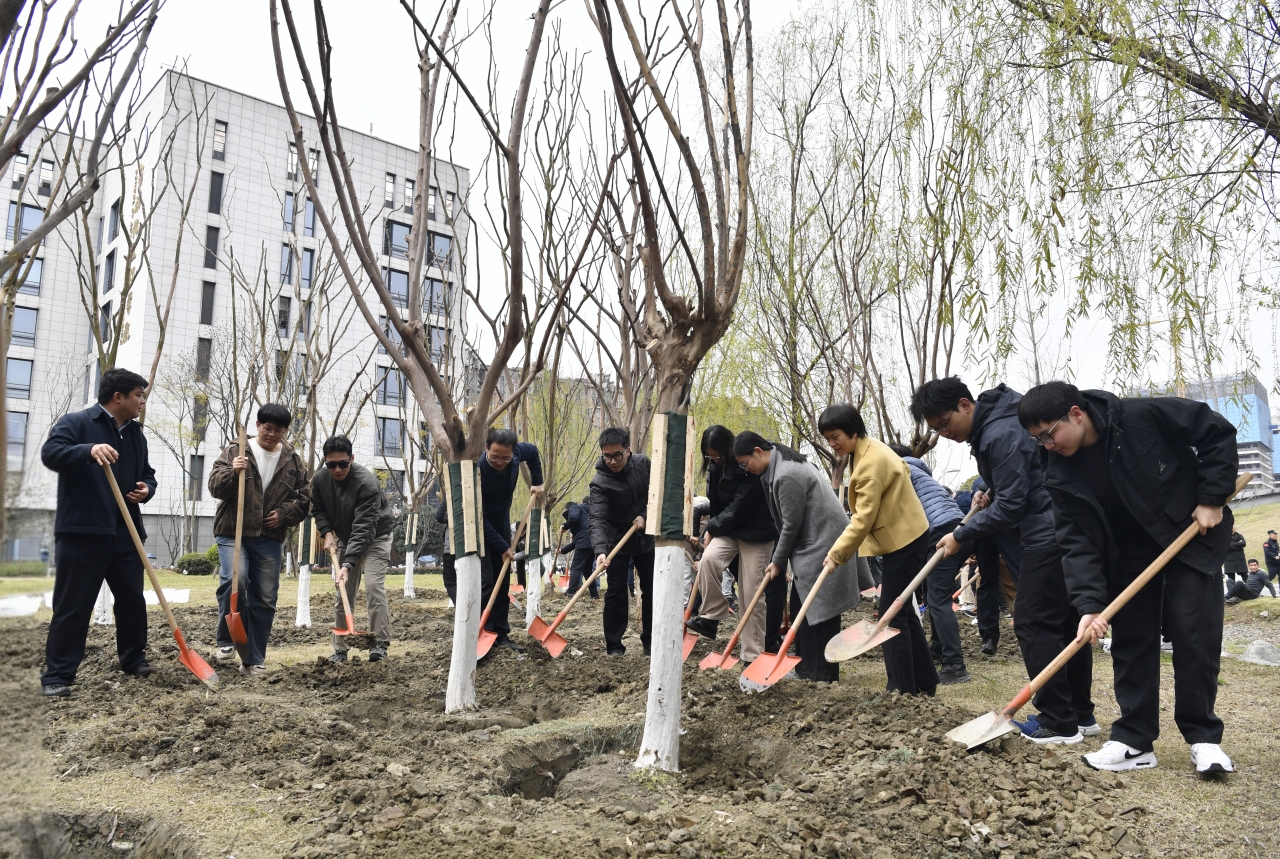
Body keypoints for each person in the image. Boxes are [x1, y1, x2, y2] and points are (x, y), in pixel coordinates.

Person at [1019, 380, 1238, 775]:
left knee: (1194, 634)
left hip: (1191, 532)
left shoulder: (1139, 417)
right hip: (1129, 552)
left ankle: (1204, 738)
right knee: (1132, 640)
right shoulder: (1058, 469)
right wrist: (1088, 606)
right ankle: (1135, 740)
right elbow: (1076, 540)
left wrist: (1212, 497)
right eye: (1039, 440)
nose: (1048, 446)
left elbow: (1215, 430)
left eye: (1049, 434)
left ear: (1076, 413)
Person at [912, 376, 1095, 744]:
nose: (944, 432)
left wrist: (961, 533)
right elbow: (1023, 475)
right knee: (1063, 622)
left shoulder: (998, 434)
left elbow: (1013, 505)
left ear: (965, 404)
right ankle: (1079, 713)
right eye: (935, 429)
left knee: (1031, 621)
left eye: (945, 423)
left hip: (1047, 531)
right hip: (1061, 526)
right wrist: (987, 487)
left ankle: (1058, 720)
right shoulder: (1001, 420)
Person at [39, 368, 158, 698]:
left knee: (132, 601)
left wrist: (146, 489)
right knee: (74, 605)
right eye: (139, 395)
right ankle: (59, 675)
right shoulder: (76, 424)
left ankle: (134, 660)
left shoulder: (136, 435)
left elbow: (148, 474)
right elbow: (51, 453)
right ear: (118, 397)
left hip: (125, 533)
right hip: (82, 533)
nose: (142, 401)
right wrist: (88, 450)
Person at [816, 407, 936, 693]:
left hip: (904, 541)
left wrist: (836, 555)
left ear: (853, 432)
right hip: (907, 535)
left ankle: (901, 688)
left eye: (836, 437)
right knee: (901, 610)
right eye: (828, 439)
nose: (832, 444)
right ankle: (924, 681)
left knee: (889, 617)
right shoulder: (870, 450)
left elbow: (862, 520)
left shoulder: (870, 464)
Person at [734, 431, 860, 682]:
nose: (746, 469)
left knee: (821, 611)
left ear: (758, 451)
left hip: (823, 542)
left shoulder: (786, 474)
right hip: (813, 542)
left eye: (745, 463)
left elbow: (790, 525)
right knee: (802, 608)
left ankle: (823, 675)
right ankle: (806, 669)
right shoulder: (778, 467)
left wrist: (777, 561)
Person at [208, 403, 310, 675]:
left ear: (286, 431)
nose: (272, 434)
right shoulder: (237, 449)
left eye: (279, 430)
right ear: (257, 426)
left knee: (264, 597)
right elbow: (215, 487)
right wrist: (232, 471)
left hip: (269, 537)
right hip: (234, 531)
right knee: (235, 579)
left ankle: (253, 659)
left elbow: (304, 499)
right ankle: (227, 638)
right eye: (267, 428)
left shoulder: (293, 460)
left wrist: (284, 514)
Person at [685, 425, 779, 666]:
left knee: (751, 594)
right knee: (708, 560)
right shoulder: (714, 470)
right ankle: (712, 616)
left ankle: (752, 655)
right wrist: (711, 531)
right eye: (710, 456)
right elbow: (716, 505)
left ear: (730, 449)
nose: (715, 460)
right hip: (728, 530)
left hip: (756, 533)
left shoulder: (748, 466)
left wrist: (713, 527)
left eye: (718, 455)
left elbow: (740, 508)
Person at [887, 442, 971, 684]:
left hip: (940, 532)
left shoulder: (900, 470)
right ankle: (937, 650)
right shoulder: (920, 471)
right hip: (961, 528)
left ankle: (955, 665)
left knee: (937, 599)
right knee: (934, 595)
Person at [310, 435, 395, 663]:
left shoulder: (367, 483)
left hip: (376, 535)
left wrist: (348, 563)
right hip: (348, 537)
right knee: (343, 591)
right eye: (331, 464)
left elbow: (365, 527)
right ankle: (340, 649)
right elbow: (317, 509)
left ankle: (379, 645)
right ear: (325, 462)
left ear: (352, 459)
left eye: (343, 464)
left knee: (373, 586)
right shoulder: (320, 480)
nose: (337, 469)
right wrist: (326, 532)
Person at [477, 428, 544, 655]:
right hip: (481, 530)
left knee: (503, 582)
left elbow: (533, 453)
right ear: (486, 448)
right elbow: (480, 518)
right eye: (494, 456)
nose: (499, 461)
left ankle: (501, 634)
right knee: (487, 584)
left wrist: (537, 481)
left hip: (503, 526)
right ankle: (484, 633)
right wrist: (502, 546)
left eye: (505, 458)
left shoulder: (515, 454)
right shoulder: (477, 472)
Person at [590, 427, 654, 656]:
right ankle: (614, 646)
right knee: (615, 592)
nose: (613, 461)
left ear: (628, 450)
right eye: (607, 456)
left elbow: (658, 493)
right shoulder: (600, 482)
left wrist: (646, 516)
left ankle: (650, 642)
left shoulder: (644, 464)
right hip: (617, 541)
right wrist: (600, 550)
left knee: (651, 590)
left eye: (617, 454)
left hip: (646, 539)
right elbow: (597, 518)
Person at [563, 495, 598, 598]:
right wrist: (562, 550)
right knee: (587, 571)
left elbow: (573, 518)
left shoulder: (575, 507)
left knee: (575, 568)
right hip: (593, 543)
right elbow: (576, 542)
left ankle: (571, 592)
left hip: (584, 544)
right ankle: (594, 594)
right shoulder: (589, 513)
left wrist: (564, 526)